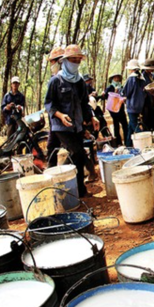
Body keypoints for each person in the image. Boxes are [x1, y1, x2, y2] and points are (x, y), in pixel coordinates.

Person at [44, 44, 98, 197]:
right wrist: (60, 115)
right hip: (61, 126)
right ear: (65, 61)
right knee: (76, 152)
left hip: (77, 126)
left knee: (78, 156)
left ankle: (78, 189)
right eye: (72, 60)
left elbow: (84, 103)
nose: (75, 63)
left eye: (78, 60)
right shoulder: (56, 81)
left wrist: (91, 117)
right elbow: (49, 104)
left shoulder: (80, 81)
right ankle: (74, 189)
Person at [46, 46, 65, 167]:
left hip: (63, 120)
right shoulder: (54, 79)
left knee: (74, 148)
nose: (51, 65)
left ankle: (51, 171)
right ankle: (51, 171)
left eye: (53, 62)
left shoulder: (64, 79)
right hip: (56, 120)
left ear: (60, 61)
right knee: (52, 146)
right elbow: (49, 102)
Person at [122, 59, 149, 139]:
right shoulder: (142, 78)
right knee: (130, 126)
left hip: (132, 106)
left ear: (131, 69)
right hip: (140, 105)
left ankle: (144, 140)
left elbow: (126, 92)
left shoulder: (131, 78)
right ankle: (128, 144)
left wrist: (120, 92)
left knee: (135, 126)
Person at [103, 73, 128, 147]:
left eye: (118, 78)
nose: (116, 79)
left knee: (125, 125)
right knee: (116, 125)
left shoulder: (122, 87)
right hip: (113, 110)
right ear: (112, 79)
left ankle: (127, 141)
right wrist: (114, 92)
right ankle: (118, 142)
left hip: (121, 108)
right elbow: (106, 95)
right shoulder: (110, 87)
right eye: (115, 78)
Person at [138, 57, 154, 131]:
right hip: (146, 102)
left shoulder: (152, 75)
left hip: (153, 102)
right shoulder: (142, 77)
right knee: (147, 120)